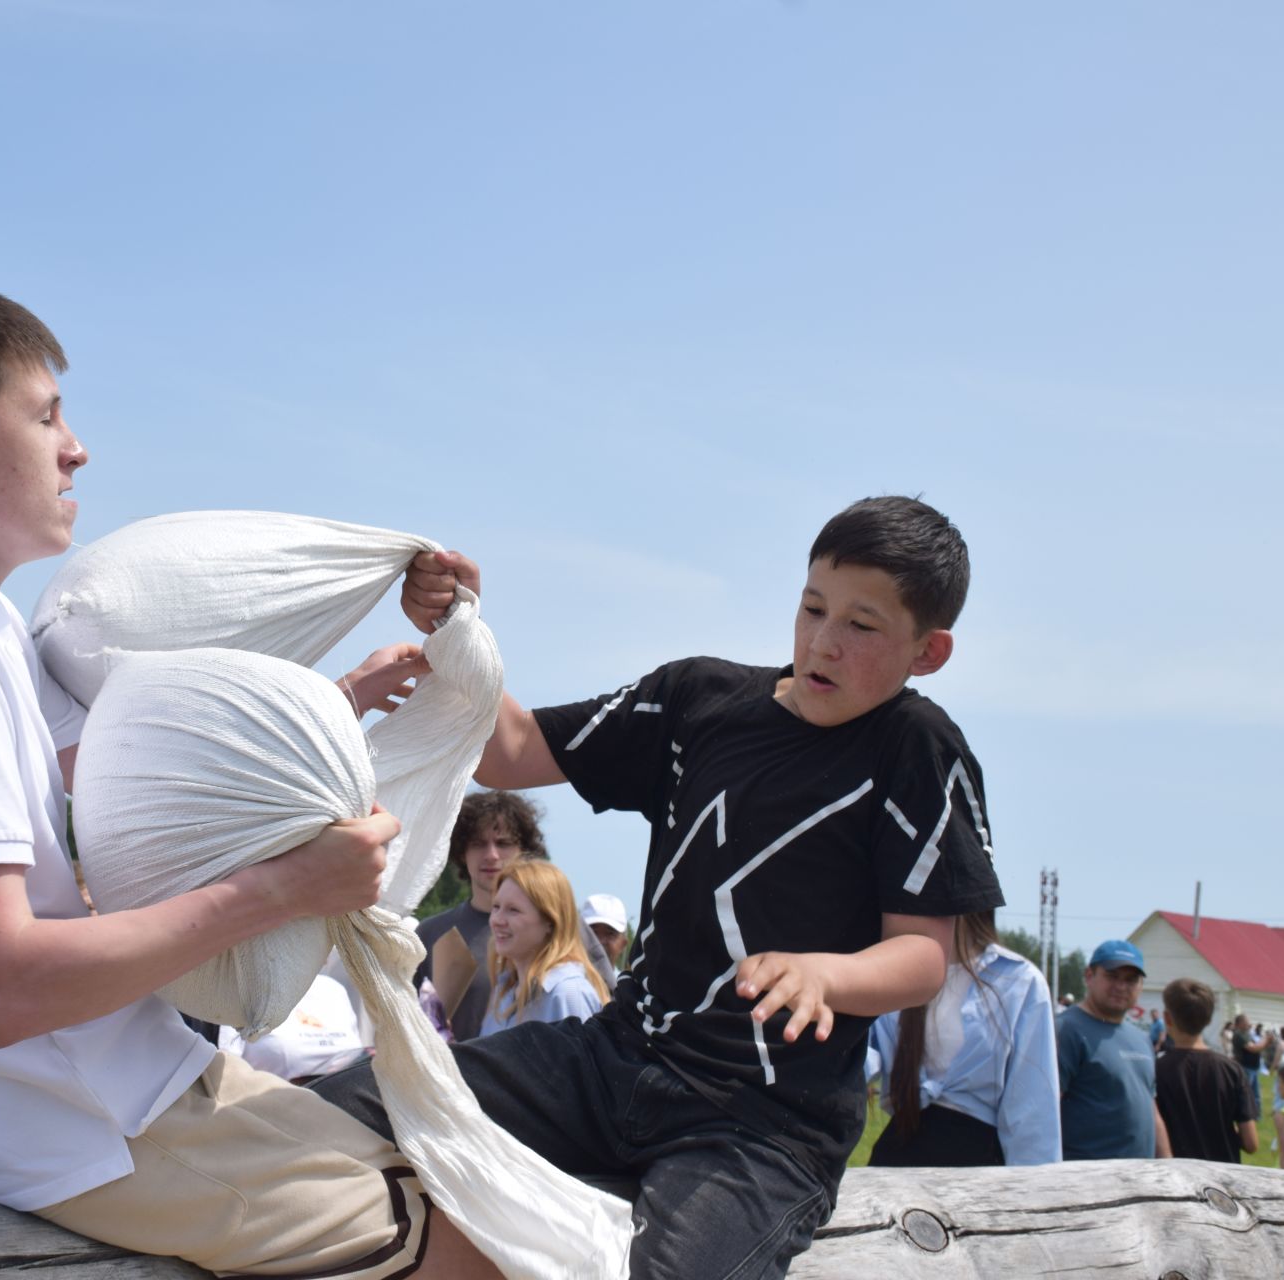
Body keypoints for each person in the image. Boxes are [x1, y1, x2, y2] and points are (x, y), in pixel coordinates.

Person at [0, 281, 498, 1278]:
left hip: (109, 1090)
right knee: (474, 1242)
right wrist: (290, 889)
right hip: (80, 1125)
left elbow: (105, 779)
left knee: (477, 1187)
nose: (76, 447)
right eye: (45, 416)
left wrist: (339, 699)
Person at [320, 494, 1006, 1278]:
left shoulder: (918, 751)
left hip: (762, 1126)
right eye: (813, 606)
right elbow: (509, 753)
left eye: (862, 625)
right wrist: (457, 628)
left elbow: (922, 958)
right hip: (612, 1060)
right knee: (346, 1106)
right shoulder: (696, 702)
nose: (824, 641)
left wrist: (828, 973)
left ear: (930, 651)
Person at [412, 790, 615, 1041]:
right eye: (477, 843)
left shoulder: (570, 936)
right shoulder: (430, 934)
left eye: (503, 843)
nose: (491, 855)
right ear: (461, 852)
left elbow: (602, 1014)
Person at [865, 910, 1060, 1166]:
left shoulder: (1018, 981)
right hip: (899, 1158)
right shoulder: (892, 972)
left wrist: (1035, 1193)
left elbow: (1033, 1111)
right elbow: (856, 1060)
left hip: (978, 1167)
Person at [1056, 939, 1170, 1161]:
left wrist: (1168, 1164)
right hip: (1088, 1182)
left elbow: (1151, 1108)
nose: (1121, 986)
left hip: (1144, 1180)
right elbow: (1043, 1111)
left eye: (1131, 980)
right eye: (1112, 976)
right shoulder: (1064, 1030)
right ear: (1089, 976)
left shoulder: (1141, 1038)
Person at [479, 862, 609, 1036]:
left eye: (513, 910)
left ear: (550, 922)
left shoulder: (567, 994)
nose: (497, 920)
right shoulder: (504, 990)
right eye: (496, 907)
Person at [1153, 977, 1255, 1163]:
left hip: (1174, 1176)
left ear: (1168, 1018)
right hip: (1223, 1180)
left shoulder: (1155, 1069)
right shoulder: (1232, 1070)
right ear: (1208, 1020)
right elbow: (1251, 1143)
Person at [218, 970, 368, 1084]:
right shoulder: (242, 991)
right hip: (270, 1114)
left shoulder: (332, 989)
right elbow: (227, 1072)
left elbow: (354, 1057)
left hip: (342, 1105)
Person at [1229, 1013, 1268, 1115]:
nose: (1249, 1024)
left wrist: (1264, 1041)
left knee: (1255, 1095)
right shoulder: (1239, 1034)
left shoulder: (1247, 1034)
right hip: (1246, 1067)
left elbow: (1256, 1046)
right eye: (1246, 1022)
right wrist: (1266, 1040)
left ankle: (1256, 1115)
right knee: (1245, 1093)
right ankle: (1244, 1114)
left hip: (1253, 1067)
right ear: (1240, 1023)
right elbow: (1254, 1048)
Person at [581, 894, 630, 969]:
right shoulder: (561, 979)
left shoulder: (622, 980)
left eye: (610, 934)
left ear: (623, 944)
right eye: (593, 933)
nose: (600, 942)